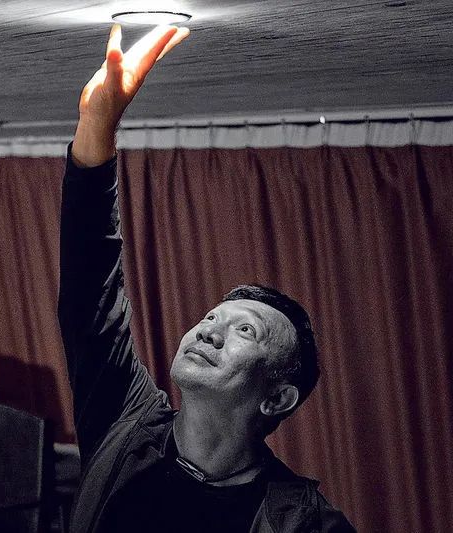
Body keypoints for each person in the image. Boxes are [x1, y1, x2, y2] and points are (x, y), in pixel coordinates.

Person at [57, 24, 355, 532]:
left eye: (245, 331)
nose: (209, 331)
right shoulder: (125, 424)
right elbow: (90, 290)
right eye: (213, 317)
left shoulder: (304, 524)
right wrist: (97, 126)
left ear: (277, 397)